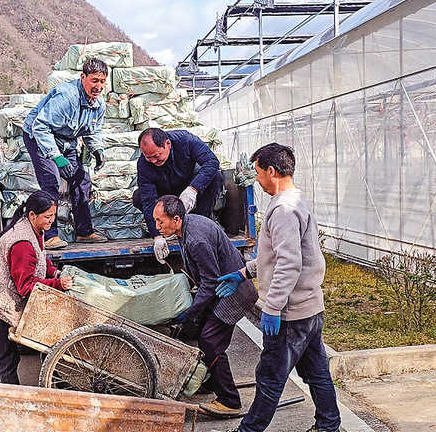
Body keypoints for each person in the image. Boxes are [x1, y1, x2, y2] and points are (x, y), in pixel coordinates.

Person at [215, 143, 341, 432]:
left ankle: (248, 430)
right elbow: (276, 256)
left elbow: (289, 263)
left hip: (290, 314)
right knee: (316, 372)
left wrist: (272, 308)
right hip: (310, 308)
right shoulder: (295, 200)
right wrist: (244, 273)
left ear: (271, 172)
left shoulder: (284, 209)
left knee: (270, 378)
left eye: (258, 173)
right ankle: (329, 426)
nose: (257, 180)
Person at [153, 195, 258, 418]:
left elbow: (210, 282)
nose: (157, 226)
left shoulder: (196, 239)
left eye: (160, 221)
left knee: (211, 341)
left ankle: (229, 401)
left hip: (232, 293)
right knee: (204, 335)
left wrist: (189, 313)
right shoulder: (187, 227)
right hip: (221, 288)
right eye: (156, 221)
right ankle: (212, 383)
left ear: (176, 219)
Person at [0, 190, 74, 384]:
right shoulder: (22, 242)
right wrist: (57, 284)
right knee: (6, 359)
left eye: (53, 215)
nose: (52, 220)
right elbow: (25, 286)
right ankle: (12, 398)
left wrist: (54, 273)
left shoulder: (32, 229)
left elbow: (38, 259)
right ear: (32, 215)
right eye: (48, 216)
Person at [22, 58, 109, 250]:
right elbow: (40, 126)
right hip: (39, 136)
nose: (98, 86)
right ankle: (48, 236)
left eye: (102, 81)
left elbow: (93, 130)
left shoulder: (98, 105)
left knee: (82, 179)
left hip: (66, 140)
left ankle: (84, 232)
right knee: (51, 180)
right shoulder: (66, 97)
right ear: (83, 77)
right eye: (94, 80)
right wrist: (57, 158)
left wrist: (97, 149)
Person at [134, 128, 224, 264]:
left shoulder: (185, 140)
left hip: (190, 187)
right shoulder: (143, 165)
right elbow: (148, 201)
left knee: (215, 177)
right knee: (138, 196)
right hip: (165, 195)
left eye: (156, 156)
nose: (153, 161)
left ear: (168, 144)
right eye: (148, 157)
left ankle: (200, 223)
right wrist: (157, 236)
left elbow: (211, 162)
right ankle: (166, 226)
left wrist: (193, 189)